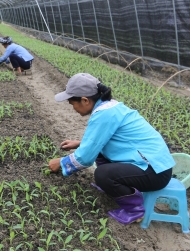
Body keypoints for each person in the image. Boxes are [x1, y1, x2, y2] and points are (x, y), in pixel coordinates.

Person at [48, 73, 175, 225]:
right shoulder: (109, 107)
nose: (73, 108)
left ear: (85, 100)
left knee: (103, 174)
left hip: (155, 172)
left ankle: (134, 209)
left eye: (72, 103)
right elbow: (103, 139)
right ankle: (116, 188)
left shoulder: (104, 114)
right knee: (100, 155)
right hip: (153, 165)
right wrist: (80, 143)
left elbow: (85, 158)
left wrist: (61, 163)